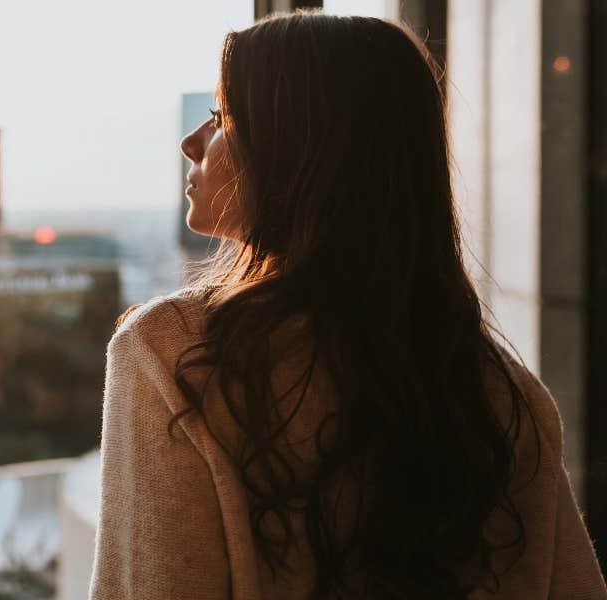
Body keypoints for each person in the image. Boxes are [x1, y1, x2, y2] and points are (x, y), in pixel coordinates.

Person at [89, 10, 607, 600]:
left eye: (223, 116)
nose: (191, 142)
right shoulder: (500, 396)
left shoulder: (176, 358)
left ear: (301, 149)